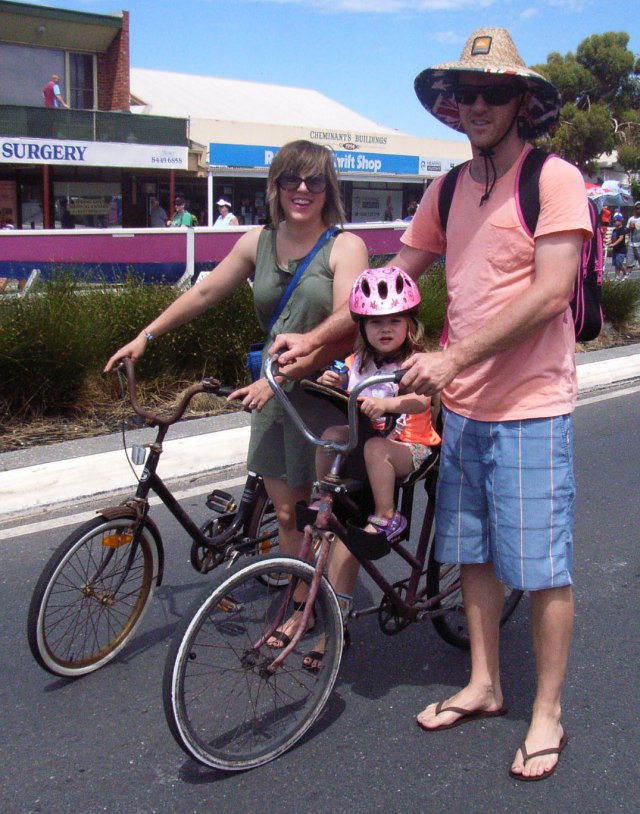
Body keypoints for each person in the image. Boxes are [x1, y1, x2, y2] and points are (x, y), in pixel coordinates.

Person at [271, 28, 592, 781]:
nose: (477, 105)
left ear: (521, 102)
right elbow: (387, 282)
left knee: (541, 567)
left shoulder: (553, 179)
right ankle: (484, 682)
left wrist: (449, 358)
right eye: (467, 93)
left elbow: (551, 292)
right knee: (473, 553)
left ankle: (546, 713)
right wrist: (315, 344)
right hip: (466, 408)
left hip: (532, 406)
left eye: (494, 92)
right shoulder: (447, 189)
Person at [104, 139, 369, 628]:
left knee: (319, 514)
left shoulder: (345, 246)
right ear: (276, 187)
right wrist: (146, 336)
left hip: (322, 394)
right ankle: (301, 596)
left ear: (327, 186)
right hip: (272, 391)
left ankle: (319, 607)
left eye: (313, 180)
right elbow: (205, 289)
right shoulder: (258, 242)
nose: (302, 189)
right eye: (291, 179)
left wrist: (287, 373)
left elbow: (348, 323)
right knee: (287, 514)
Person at [316, 267, 440, 539]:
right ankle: (324, 495)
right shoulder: (359, 361)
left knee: (375, 449)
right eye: (375, 322)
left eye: (395, 320)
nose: (385, 328)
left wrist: (387, 405)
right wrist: (335, 381)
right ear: (362, 326)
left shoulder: (414, 362)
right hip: (369, 436)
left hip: (410, 447)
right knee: (331, 436)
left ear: (410, 323)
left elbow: (420, 401)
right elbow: (348, 380)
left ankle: (388, 516)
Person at [609, 212, 628, 279]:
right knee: (616, 264)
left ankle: (625, 273)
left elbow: (621, 238)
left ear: (620, 221)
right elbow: (613, 239)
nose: (614, 222)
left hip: (621, 250)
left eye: (615, 221)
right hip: (615, 250)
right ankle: (617, 276)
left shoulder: (622, 230)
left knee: (619, 263)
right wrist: (609, 243)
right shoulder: (614, 230)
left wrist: (613, 244)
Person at [625, 201, 640, 271]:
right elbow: (626, 231)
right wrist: (630, 228)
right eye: (637, 208)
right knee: (629, 263)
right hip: (631, 244)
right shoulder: (631, 219)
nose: (638, 210)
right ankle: (627, 278)